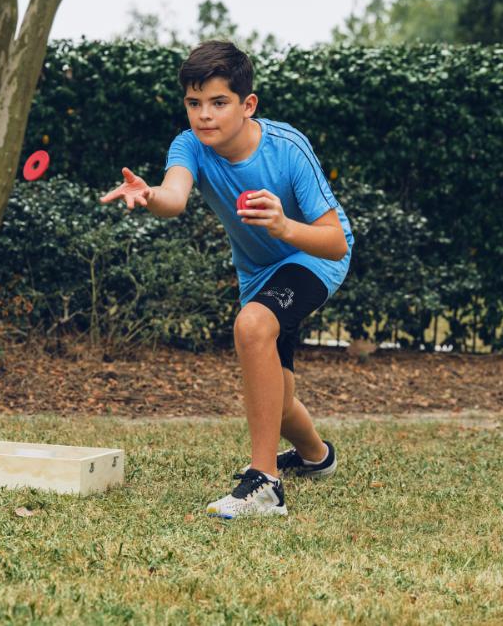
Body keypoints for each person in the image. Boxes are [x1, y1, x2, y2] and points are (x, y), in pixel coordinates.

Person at [100, 40, 354, 518]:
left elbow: (335, 241)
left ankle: (264, 485)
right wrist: (150, 196)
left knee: (252, 327)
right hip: (260, 272)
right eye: (194, 103)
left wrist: (283, 227)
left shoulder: (287, 148)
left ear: (247, 104)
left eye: (219, 103)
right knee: (275, 401)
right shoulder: (190, 145)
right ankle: (317, 457)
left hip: (313, 256)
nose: (205, 115)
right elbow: (175, 197)